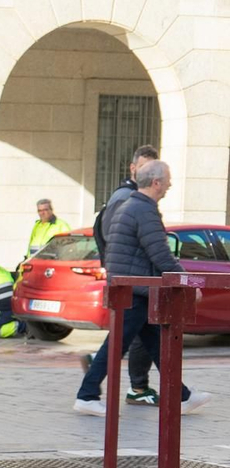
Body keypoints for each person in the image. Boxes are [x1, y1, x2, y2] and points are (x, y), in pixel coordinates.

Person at [74, 159, 210, 416]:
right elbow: (160, 253)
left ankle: (182, 396)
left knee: (157, 346)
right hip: (136, 290)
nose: (170, 185)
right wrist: (188, 284)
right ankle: (87, 394)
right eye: (168, 180)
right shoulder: (143, 210)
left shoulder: (132, 206)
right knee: (116, 345)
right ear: (156, 182)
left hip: (133, 288)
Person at [88, 145, 161, 405]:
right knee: (124, 340)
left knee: (151, 339)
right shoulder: (129, 200)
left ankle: (178, 394)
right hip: (132, 283)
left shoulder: (133, 199)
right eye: (144, 167)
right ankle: (93, 390)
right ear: (133, 168)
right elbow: (119, 241)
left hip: (134, 282)